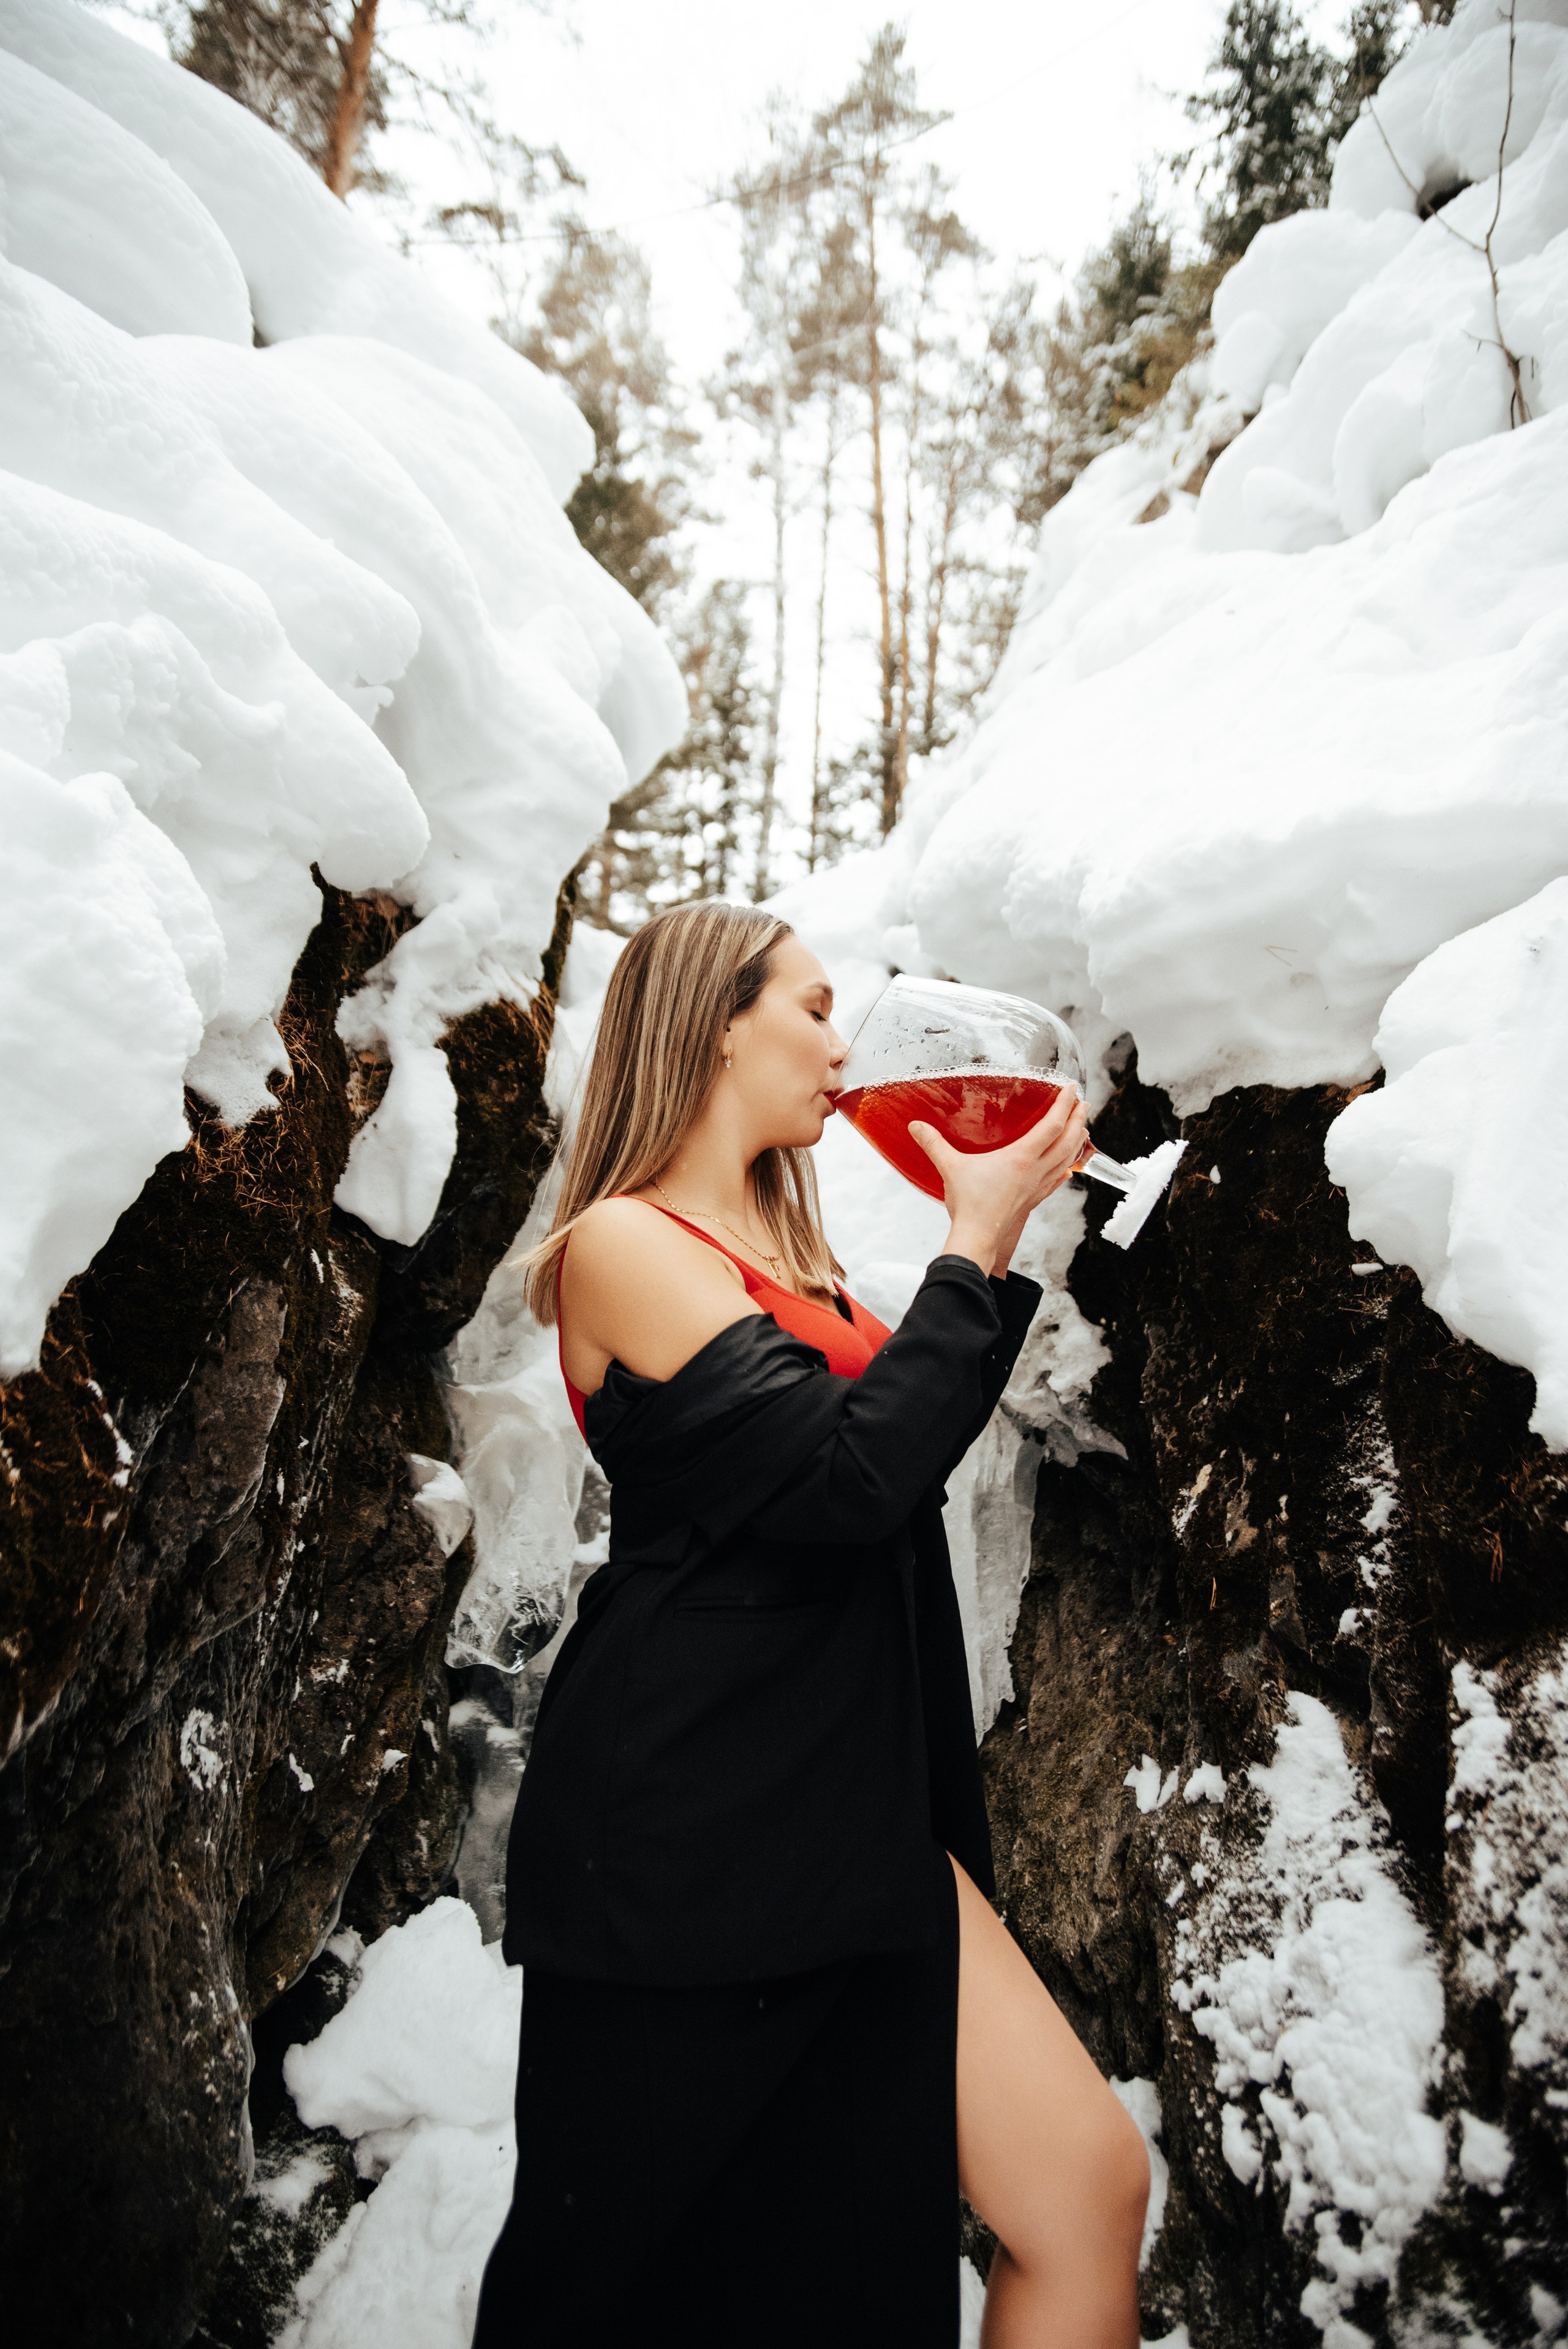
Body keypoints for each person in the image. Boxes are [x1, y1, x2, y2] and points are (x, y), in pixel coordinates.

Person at [471, 901, 1148, 2349]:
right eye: (816, 1006)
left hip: (854, 1810)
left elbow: (889, 1447)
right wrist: (973, 1243)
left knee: (1083, 2190)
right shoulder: (622, 1246)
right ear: (717, 1018)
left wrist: (995, 1237)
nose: (844, 1048)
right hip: (691, 1836)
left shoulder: (807, 1269)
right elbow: (843, 1481)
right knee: (634, 2280)